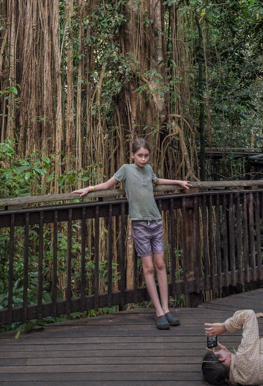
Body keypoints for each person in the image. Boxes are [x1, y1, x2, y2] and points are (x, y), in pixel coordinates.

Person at [73, 136, 190, 329]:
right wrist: (90, 188)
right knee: (148, 267)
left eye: (146, 156)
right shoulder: (126, 169)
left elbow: (158, 180)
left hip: (156, 221)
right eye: (140, 156)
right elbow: (108, 185)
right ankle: (158, 312)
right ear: (132, 155)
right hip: (139, 224)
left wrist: (178, 182)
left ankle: (167, 309)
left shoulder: (149, 170)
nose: (143, 159)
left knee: (160, 264)